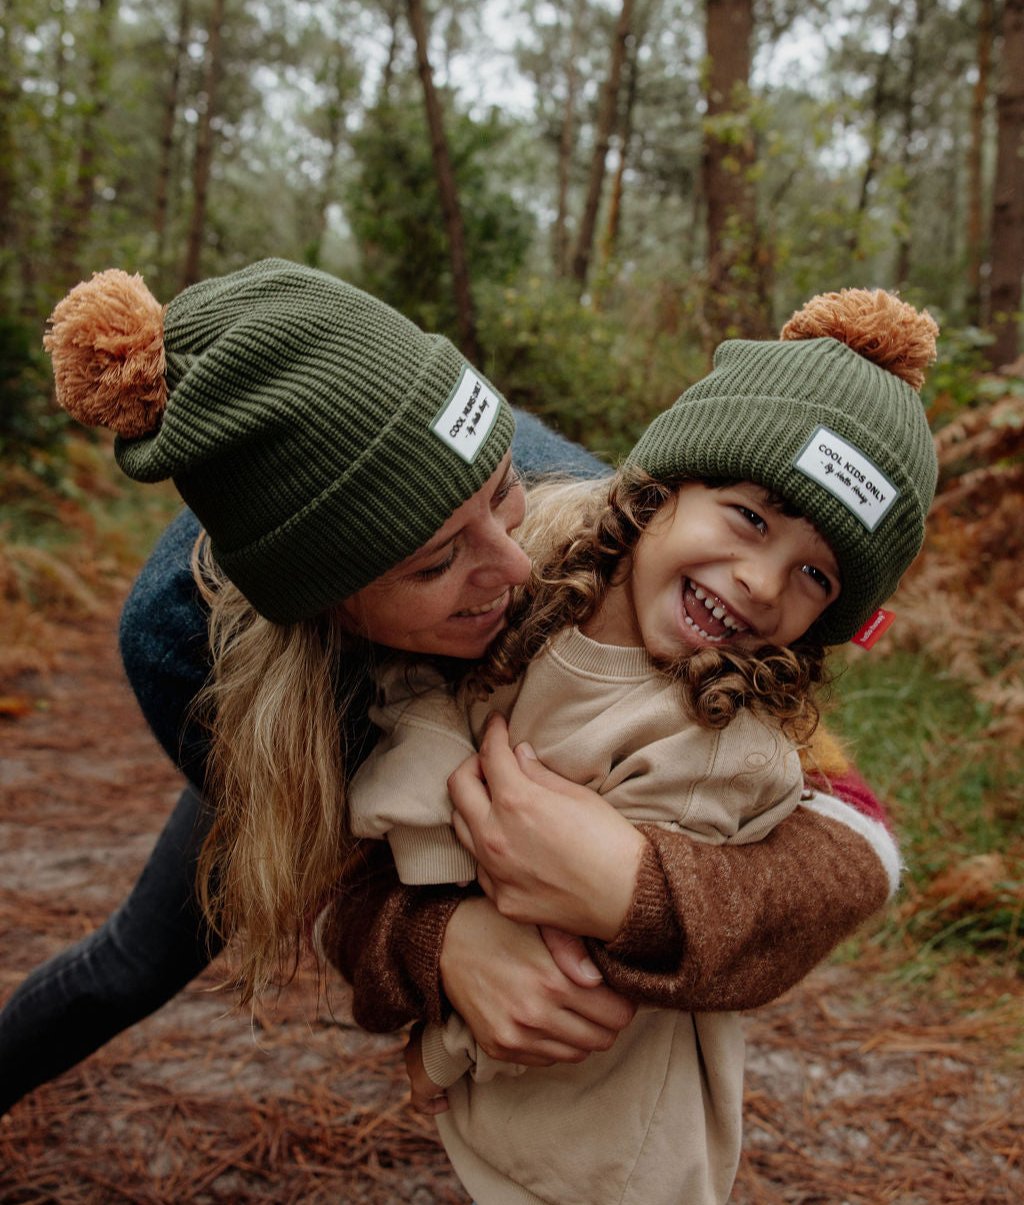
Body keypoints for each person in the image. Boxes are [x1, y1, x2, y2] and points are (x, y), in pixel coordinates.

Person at [0, 260, 900, 1123]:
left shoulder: (590, 517)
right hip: (293, 743)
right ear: (334, 608)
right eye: (439, 560)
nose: (516, 567)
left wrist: (642, 889)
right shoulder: (180, 646)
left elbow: (853, 824)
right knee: (134, 961)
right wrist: (438, 944)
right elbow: (315, 864)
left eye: (499, 492)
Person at [334, 289, 939, 1204]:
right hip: (518, 1127)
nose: (760, 581)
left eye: (815, 576)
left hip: (613, 1168)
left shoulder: (712, 746)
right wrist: (429, 935)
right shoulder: (539, 599)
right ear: (660, 488)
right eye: (749, 517)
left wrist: (441, 1045)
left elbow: (576, 978)